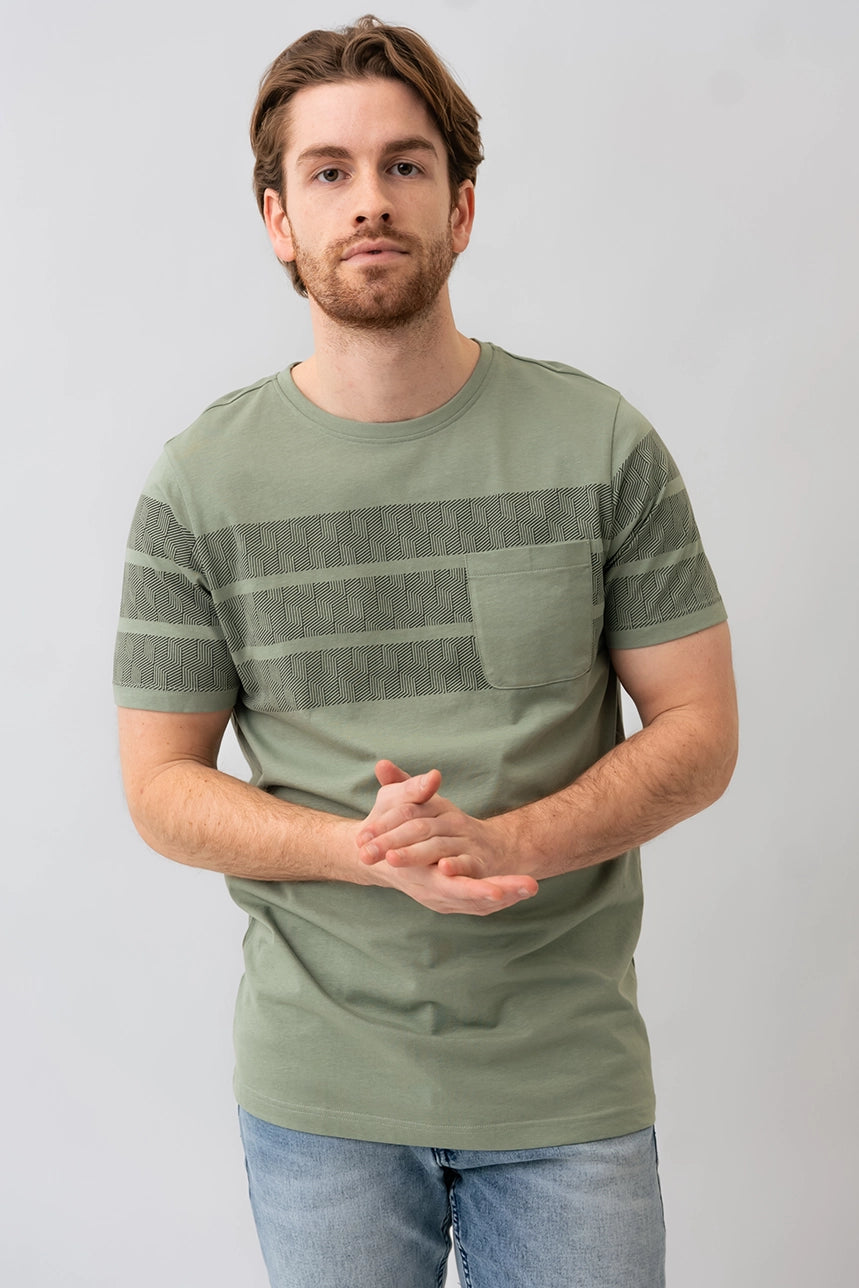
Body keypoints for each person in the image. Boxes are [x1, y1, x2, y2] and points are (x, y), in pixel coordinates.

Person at [114, 15, 738, 1288]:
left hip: (564, 1084)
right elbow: (159, 787)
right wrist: (358, 851)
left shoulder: (601, 445)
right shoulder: (198, 484)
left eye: (404, 164)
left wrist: (513, 842)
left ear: (460, 206)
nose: (370, 200)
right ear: (278, 218)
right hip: (319, 1092)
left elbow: (700, 732)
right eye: (328, 171)